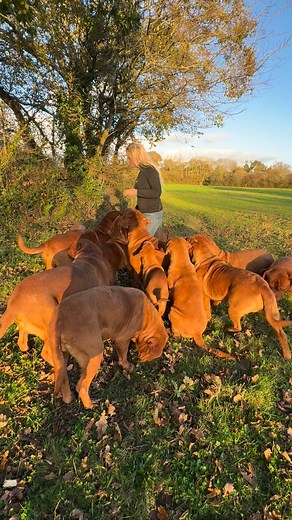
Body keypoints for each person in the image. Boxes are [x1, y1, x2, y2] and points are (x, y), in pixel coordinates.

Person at [123, 142, 163, 235]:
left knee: (140, 244)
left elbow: (156, 192)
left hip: (152, 216)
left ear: (136, 157)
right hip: (143, 214)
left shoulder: (150, 170)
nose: (128, 161)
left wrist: (136, 191)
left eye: (129, 158)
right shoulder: (142, 171)